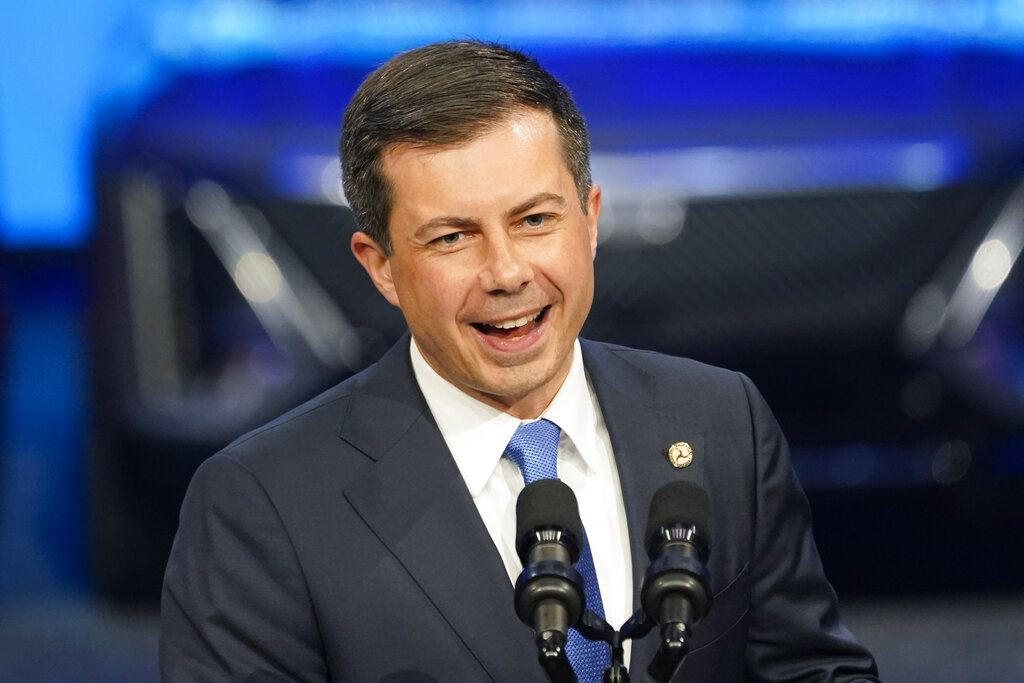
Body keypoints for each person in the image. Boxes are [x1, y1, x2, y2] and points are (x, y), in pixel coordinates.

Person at [160, 40, 880, 682]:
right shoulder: (263, 505)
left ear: (591, 219)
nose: (506, 272)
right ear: (380, 265)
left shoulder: (722, 423)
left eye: (535, 220)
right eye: (452, 237)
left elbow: (814, 668)